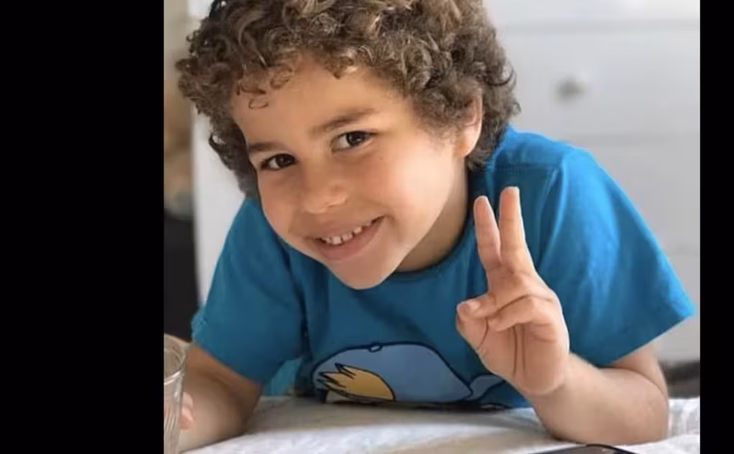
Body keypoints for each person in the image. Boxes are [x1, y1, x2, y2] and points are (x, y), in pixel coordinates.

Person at [172, 0, 696, 451]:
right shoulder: (272, 231)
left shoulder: (553, 194)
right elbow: (220, 383)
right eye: (280, 160)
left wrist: (556, 382)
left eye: (353, 139)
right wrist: (175, 419)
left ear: (463, 116)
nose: (316, 198)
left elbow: (645, 415)